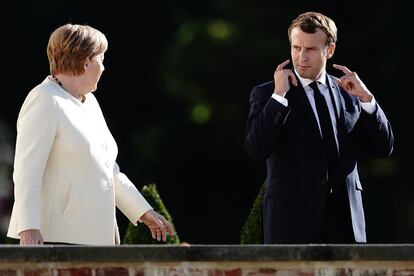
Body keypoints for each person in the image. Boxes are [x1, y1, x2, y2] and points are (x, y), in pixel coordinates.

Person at [7, 23, 175, 245]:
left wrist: (144, 211)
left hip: (99, 238)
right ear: (85, 61)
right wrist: (28, 228)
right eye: (101, 59)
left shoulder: (90, 103)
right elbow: (27, 170)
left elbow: (108, 168)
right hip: (56, 238)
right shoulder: (44, 98)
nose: (104, 68)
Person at [245, 12, 394, 244]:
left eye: (311, 49)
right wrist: (278, 97)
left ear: (330, 50)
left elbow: (384, 147)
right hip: (291, 224)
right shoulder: (268, 93)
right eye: (296, 48)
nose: (301, 57)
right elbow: (256, 149)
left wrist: (366, 98)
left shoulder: (349, 93)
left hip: (346, 224)